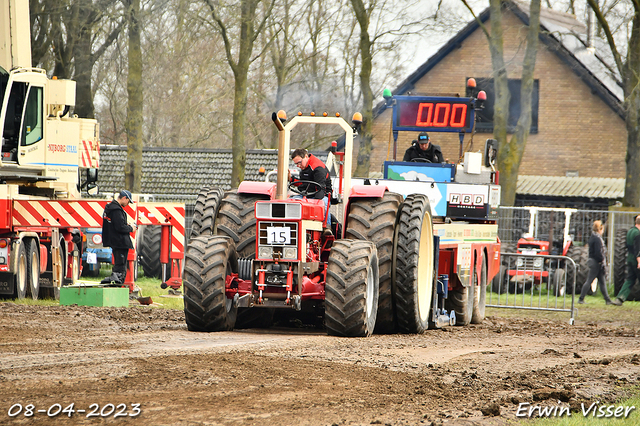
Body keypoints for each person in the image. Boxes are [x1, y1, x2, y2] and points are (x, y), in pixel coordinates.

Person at [289, 148, 332, 233]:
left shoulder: (318, 167)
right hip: (307, 194)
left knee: (323, 204)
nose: (298, 165)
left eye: (299, 163)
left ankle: (326, 228)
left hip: (322, 194)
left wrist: (314, 203)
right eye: (296, 164)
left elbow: (321, 188)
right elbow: (304, 184)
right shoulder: (304, 167)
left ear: (306, 156)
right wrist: (291, 179)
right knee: (291, 201)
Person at [100, 190, 136, 285]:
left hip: (114, 241)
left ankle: (115, 280)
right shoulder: (116, 210)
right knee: (120, 265)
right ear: (124, 198)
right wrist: (131, 228)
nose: (128, 204)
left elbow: (115, 224)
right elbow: (120, 227)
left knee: (118, 264)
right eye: (128, 201)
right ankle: (117, 283)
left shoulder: (110, 208)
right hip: (120, 242)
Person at [578, 220, 613, 304]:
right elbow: (598, 252)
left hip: (594, 261)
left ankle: (607, 300)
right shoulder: (597, 239)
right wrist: (601, 260)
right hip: (596, 262)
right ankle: (581, 299)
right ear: (600, 229)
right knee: (590, 280)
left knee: (602, 281)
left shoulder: (593, 237)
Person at [612, 215, 640, 305]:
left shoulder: (630, 231)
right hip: (637, 260)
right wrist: (639, 261)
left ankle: (620, 298)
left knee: (630, 280)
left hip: (630, 259)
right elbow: (638, 249)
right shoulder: (638, 234)